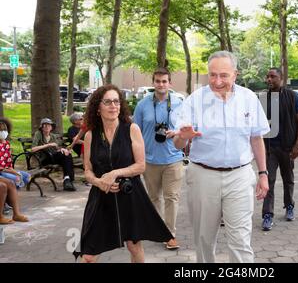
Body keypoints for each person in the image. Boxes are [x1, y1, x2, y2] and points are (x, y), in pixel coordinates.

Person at [172, 50, 270, 263]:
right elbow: (178, 142)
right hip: (202, 176)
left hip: (240, 176)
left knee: (241, 240)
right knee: (204, 239)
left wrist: (263, 173)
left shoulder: (249, 98)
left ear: (235, 74)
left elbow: (256, 138)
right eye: (213, 75)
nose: (217, 81)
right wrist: (183, 137)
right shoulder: (195, 100)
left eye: (224, 75)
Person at [75, 84, 172, 263]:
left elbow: (141, 165)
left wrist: (114, 173)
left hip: (130, 194)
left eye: (116, 101)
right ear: (98, 107)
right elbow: (87, 171)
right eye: (108, 102)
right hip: (101, 198)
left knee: (134, 247)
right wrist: (99, 182)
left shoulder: (131, 129)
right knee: (88, 255)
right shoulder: (90, 136)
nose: (113, 106)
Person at [133, 68, 184, 250]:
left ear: (170, 83)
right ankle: (157, 230)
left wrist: (176, 132)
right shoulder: (142, 105)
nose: (161, 84)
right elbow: (135, 132)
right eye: (157, 81)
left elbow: (187, 128)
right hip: (149, 160)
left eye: (164, 81)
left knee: (172, 198)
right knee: (154, 198)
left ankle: (170, 235)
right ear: (153, 82)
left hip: (173, 159)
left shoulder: (179, 103)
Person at [260, 68, 298, 231]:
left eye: (273, 76)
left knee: (288, 179)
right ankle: (267, 215)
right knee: (268, 182)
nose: (269, 79)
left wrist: (297, 145)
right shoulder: (263, 98)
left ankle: (289, 206)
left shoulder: (292, 96)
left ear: (281, 78)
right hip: (270, 148)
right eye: (268, 76)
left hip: (287, 147)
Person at [31, 118, 76, 191]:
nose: (47, 127)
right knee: (66, 157)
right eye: (44, 125)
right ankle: (69, 180)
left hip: (53, 157)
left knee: (67, 155)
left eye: (49, 125)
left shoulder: (52, 136)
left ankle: (67, 179)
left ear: (51, 127)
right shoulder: (38, 134)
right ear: (41, 127)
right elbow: (33, 149)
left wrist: (63, 149)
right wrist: (48, 145)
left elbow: (57, 149)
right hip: (44, 159)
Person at [0, 118, 30, 189]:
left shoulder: (7, 144)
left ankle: (13, 190)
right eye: (1, 130)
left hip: (8, 170)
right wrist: (16, 174)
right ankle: (11, 193)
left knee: (27, 176)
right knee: (17, 179)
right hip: (2, 171)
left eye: (5, 130)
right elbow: (1, 168)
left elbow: (9, 164)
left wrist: (15, 172)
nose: (3, 132)